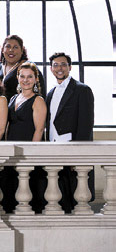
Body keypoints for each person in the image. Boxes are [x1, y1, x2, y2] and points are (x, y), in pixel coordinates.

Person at [47, 52, 95, 213]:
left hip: (72, 148)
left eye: (63, 64)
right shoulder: (50, 93)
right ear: (51, 69)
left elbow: (86, 125)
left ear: (70, 67)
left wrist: (80, 155)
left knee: (76, 196)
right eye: (55, 65)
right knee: (59, 193)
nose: (59, 68)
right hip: (53, 148)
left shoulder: (82, 90)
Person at [4, 62, 48, 213]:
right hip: (12, 150)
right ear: (17, 78)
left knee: (28, 191)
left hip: (28, 153)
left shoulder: (38, 100)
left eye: (30, 77)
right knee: (11, 190)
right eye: (22, 76)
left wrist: (31, 155)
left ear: (36, 79)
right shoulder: (13, 98)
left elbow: (39, 129)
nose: (25, 80)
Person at [0, 35, 45, 101]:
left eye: (15, 47)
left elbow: (41, 93)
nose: (11, 50)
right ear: (2, 50)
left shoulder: (30, 67)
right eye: (8, 46)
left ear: (22, 50)